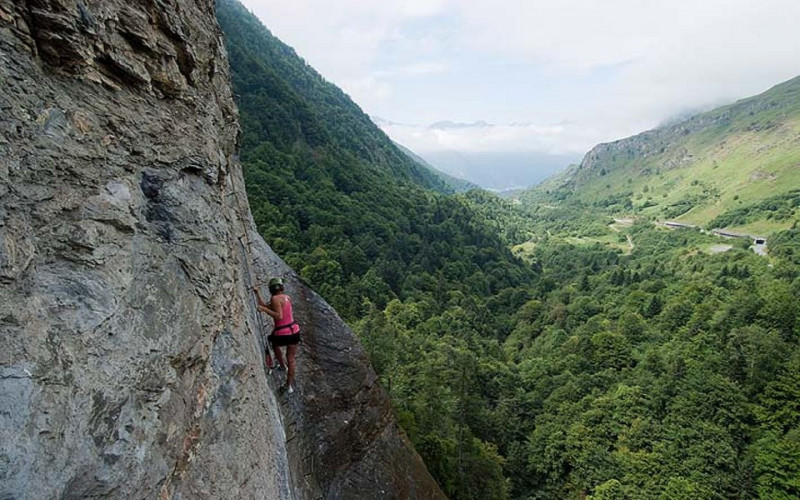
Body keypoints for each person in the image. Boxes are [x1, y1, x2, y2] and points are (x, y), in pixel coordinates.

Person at [254, 277, 300, 394]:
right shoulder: (287, 297)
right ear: (281, 287)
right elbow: (264, 305)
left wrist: (264, 309)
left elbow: (278, 316)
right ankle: (288, 386)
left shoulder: (275, 299)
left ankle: (282, 365)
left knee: (273, 343)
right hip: (294, 331)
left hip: (282, 333)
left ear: (271, 289)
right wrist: (257, 293)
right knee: (292, 359)